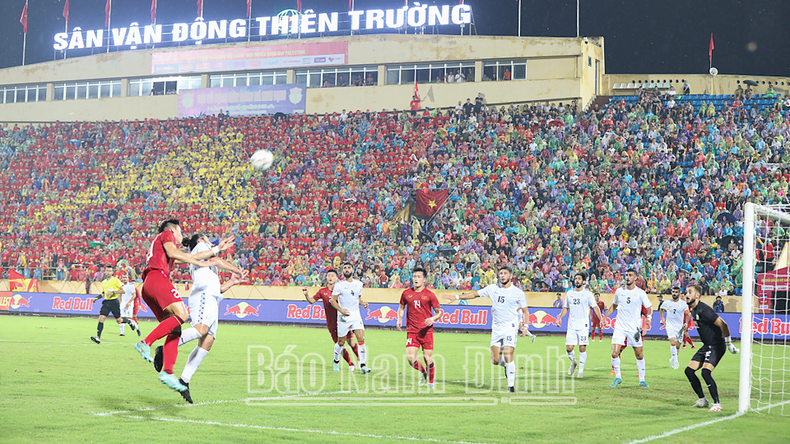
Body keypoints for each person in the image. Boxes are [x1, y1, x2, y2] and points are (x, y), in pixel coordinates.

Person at [133, 219, 234, 393]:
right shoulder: (167, 234)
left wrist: (217, 249)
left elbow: (192, 257)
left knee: (175, 329)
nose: (181, 236)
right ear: (173, 230)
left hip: (149, 285)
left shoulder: (165, 248)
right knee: (182, 314)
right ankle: (145, 342)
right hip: (157, 277)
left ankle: (168, 372)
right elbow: (175, 253)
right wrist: (205, 259)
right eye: (180, 232)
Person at [152, 234, 247, 403]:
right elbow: (217, 260)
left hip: (211, 296)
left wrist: (231, 282)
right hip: (203, 294)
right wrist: (236, 269)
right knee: (201, 330)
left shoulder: (204, 254)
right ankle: (163, 349)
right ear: (200, 239)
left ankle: (184, 380)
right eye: (206, 237)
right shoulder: (201, 247)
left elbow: (217, 286)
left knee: (207, 341)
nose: (210, 238)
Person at [443, 266, 534, 393]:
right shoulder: (493, 289)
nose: (502, 275)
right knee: (495, 360)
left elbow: (525, 311)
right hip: (496, 328)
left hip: (510, 327)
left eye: (505, 273)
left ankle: (511, 388)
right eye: (500, 273)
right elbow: (475, 294)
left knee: (508, 355)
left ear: (511, 276)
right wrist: (457, 297)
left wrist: (525, 326)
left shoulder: (518, 293)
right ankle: (507, 367)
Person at [684, 284, 739, 412]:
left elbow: (723, 324)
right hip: (707, 345)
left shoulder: (704, 310)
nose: (686, 294)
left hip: (716, 345)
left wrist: (728, 343)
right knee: (689, 371)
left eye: (690, 292)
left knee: (705, 373)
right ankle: (702, 400)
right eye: (686, 292)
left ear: (697, 295)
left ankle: (717, 404)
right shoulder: (693, 310)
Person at [302, 268, 360, 372]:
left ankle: (361, 362)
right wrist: (306, 295)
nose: (330, 277)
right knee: (340, 345)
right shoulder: (322, 291)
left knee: (351, 342)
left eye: (333, 275)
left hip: (344, 321)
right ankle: (350, 363)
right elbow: (311, 301)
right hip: (332, 324)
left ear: (337, 278)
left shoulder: (342, 290)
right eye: (328, 275)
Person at [603, 268, 652, 388]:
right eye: (626, 275)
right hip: (620, 327)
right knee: (615, 353)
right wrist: (604, 317)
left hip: (634, 328)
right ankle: (618, 377)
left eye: (630, 275)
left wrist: (647, 321)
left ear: (636, 278)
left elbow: (649, 308)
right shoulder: (619, 291)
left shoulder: (640, 293)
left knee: (639, 354)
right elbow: (614, 306)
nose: (628, 277)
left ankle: (642, 380)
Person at [397, 267, 443, 389]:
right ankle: (424, 372)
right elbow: (401, 307)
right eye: (414, 276)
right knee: (410, 358)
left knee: (428, 358)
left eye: (419, 277)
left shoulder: (430, 295)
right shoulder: (406, 293)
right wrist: (400, 318)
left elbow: (439, 313)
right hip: (412, 331)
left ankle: (431, 383)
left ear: (424, 279)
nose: (416, 279)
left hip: (426, 331)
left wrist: (432, 319)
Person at [557, 272, 603, 378]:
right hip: (572, 325)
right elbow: (566, 308)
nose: (576, 280)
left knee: (582, 347)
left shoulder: (588, 294)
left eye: (579, 279)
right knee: (569, 348)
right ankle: (573, 362)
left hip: (583, 325)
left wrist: (601, 319)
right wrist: (560, 318)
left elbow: (595, 307)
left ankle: (580, 371)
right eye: (575, 278)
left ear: (583, 281)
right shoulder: (569, 293)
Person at [330, 262, 371, 374]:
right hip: (343, 317)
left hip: (355, 315)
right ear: (343, 272)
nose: (347, 269)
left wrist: (363, 304)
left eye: (349, 268)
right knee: (341, 342)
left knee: (361, 338)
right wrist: (341, 310)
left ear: (353, 270)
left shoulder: (359, 284)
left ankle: (363, 365)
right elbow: (332, 301)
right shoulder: (339, 285)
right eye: (345, 268)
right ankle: (336, 360)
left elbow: (358, 298)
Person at [90, 266, 140, 344]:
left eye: (110, 271)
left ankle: (129, 321)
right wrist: (96, 298)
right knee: (101, 318)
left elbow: (123, 291)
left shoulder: (115, 280)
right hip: (106, 302)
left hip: (114, 302)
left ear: (112, 272)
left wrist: (113, 292)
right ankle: (98, 338)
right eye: (107, 271)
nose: (108, 272)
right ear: (105, 271)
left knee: (119, 321)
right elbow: (104, 293)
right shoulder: (104, 282)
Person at [660, 287, 691, 369]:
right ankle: (675, 360)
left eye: (676, 292)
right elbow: (661, 309)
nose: (674, 293)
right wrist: (662, 319)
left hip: (679, 327)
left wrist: (686, 323)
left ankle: (673, 358)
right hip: (670, 326)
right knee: (673, 342)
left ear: (679, 293)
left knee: (677, 346)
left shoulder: (683, 304)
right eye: (673, 292)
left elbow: (688, 314)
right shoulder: (667, 302)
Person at [120, 273, 142, 337]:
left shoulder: (131, 286)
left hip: (130, 305)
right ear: (122, 278)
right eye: (123, 277)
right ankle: (122, 333)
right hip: (123, 304)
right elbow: (120, 295)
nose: (124, 279)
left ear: (127, 278)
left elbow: (134, 295)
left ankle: (137, 328)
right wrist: (120, 302)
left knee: (129, 318)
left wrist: (129, 302)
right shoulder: (121, 286)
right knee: (121, 318)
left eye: (125, 277)